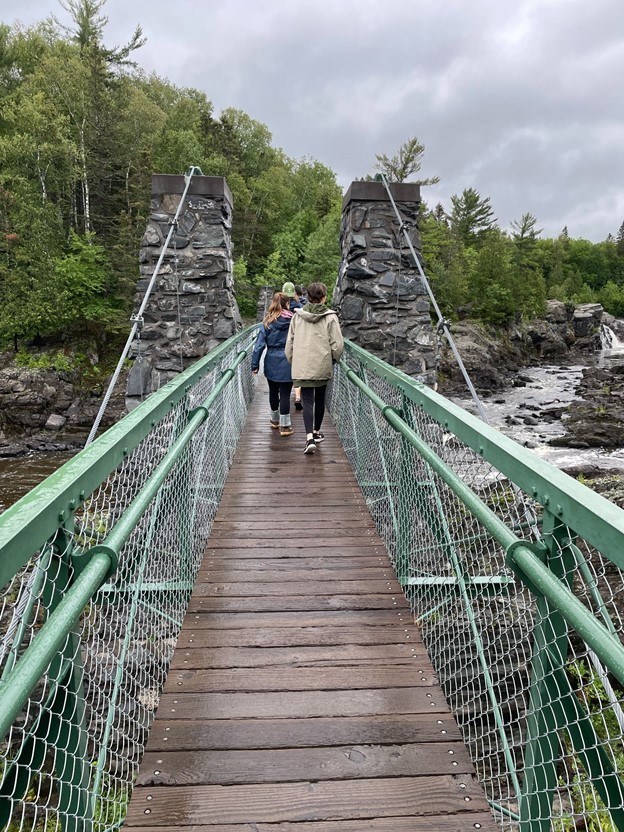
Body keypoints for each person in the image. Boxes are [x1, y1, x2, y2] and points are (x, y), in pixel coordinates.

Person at [285, 281, 344, 454]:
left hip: (302, 364)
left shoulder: (297, 316)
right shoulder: (331, 317)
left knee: (307, 400)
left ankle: (309, 437)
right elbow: (338, 345)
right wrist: (333, 359)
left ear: (307, 297)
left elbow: (289, 343)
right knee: (320, 398)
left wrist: (293, 361)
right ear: (324, 298)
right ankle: (317, 432)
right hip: (322, 363)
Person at [251, 292, 294, 437]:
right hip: (289, 360)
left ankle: (275, 421)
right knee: (286, 394)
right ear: (287, 304)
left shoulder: (267, 322)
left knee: (273, 391)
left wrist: (254, 364)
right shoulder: (294, 321)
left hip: (271, 360)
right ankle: (285, 426)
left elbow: (258, 346)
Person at [282, 281, 303, 409]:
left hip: (282, 344)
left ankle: (282, 395)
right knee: (297, 371)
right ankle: (298, 396)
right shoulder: (299, 306)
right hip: (297, 342)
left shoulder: (280, 306)